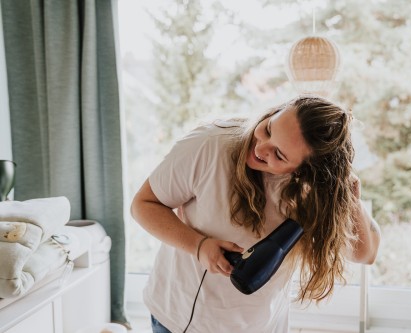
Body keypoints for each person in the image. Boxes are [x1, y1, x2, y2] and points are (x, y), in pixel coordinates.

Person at [130, 95, 381, 333]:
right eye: (269, 129)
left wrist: (349, 199)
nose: (261, 148)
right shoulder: (209, 147)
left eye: (279, 154)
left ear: (306, 171)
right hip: (186, 320)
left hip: (265, 324)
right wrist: (199, 245)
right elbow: (143, 204)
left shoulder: (310, 188)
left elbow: (365, 254)